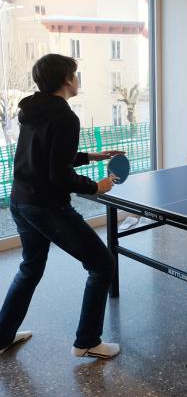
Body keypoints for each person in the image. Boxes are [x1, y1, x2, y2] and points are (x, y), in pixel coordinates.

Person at [0, 53, 124, 358]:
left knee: (30, 269)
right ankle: (88, 341)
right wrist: (97, 186)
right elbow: (58, 174)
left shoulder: (32, 110)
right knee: (102, 264)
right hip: (47, 207)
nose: (78, 79)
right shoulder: (66, 116)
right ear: (67, 80)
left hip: (21, 201)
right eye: (75, 74)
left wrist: (92, 157)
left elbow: (44, 157)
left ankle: (2, 336)